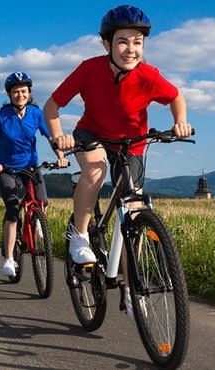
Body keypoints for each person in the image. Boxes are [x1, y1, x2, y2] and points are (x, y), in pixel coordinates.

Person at [44, 4, 192, 265]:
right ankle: (79, 236)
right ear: (106, 44)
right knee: (96, 170)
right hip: (92, 134)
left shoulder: (149, 76)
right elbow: (52, 106)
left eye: (138, 42)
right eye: (122, 41)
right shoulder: (89, 70)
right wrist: (58, 136)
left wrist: (180, 121)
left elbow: (176, 96)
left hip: (131, 143)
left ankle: (130, 283)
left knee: (133, 210)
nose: (131, 49)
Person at [0, 72, 68, 277]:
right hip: (7, 169)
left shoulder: (36, 114)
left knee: (42, 201)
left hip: (30, 167)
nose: (20, 95)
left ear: (29, 93)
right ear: (9, 95)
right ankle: (9, 259)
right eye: (15, 92)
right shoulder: (1, 117)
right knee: (13, 209)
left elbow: (51, 138)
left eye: (23, 91)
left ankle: (37, 223)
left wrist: (60, 156)